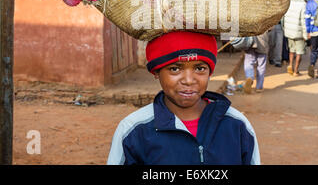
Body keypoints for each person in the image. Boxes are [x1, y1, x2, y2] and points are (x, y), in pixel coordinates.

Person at [107, 31, 261, 165]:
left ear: (210, 72)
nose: (188, 80)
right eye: (175, 69)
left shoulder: (237, 125)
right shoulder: (133, 130)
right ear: (156, 72)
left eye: (200, 68)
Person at [283, 0, 308, 77]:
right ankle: (295, 71)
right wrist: (305, 35)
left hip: (289, 31)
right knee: (299, 52)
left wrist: (284, 29)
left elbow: (283, 18)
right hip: (299, 33)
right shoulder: (303, 4)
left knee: (291, 51)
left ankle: (290, 65)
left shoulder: (287, 3)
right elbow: (303, 21)